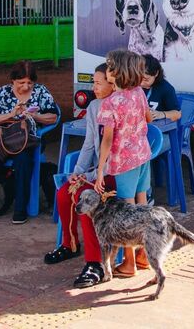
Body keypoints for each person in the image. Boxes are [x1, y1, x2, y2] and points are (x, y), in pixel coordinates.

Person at [43, 63, 115, 288]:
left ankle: (95, 263)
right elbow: (89, 145)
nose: (94, 88)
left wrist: (91, 175)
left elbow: (115, 155)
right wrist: (77, 173)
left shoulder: (120, 107)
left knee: (85, 199)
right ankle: (69, 244)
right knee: (64, 192)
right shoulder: (94, 106)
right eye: (93, 82)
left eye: (98, 83)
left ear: (113, 84)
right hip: (96, 173)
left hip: (114, 174)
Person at [0, 60, 59, 227]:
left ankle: (20, 209)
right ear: (12, 81)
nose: (26, 86)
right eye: (21, 82)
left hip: (27, 140)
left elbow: (53, 117)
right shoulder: (3, 92)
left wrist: (35, 116)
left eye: (30, 82)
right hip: (2, 139)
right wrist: (10, 114)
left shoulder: (41, 92)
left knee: (23, 161)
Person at [95, 49, 153, 276]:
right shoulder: (138, 92)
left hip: (123, 162)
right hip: (143, 155)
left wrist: (101, 169)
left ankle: (129, 263)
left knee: (127, 212)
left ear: (117, 72)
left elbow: (107, 140)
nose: (107, 70)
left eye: (109, 67)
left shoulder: (110, 103)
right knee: (143, 204)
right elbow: (148, 118)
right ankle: (144, 255)